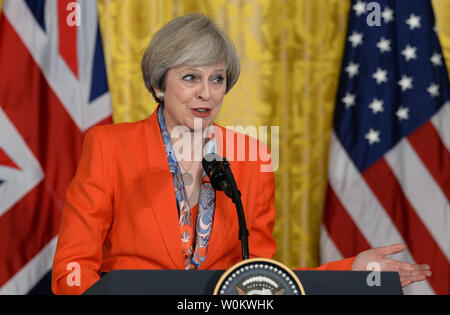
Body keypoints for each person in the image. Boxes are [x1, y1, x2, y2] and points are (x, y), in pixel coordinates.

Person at [51, 13, 431, 295]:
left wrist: (351, 272)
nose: (206, 93)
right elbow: (71, 267)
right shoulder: (109, 147)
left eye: (217, 78)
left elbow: (258, 281)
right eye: (190, 77)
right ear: (158, 84)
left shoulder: (250, 157)